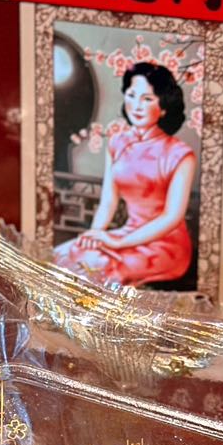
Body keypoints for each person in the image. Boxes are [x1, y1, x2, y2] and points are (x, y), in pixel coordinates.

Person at [53, 61, 196, 289]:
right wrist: (95, 233)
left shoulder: (180, 154)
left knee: (96, 266)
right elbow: (108, 201)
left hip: (165, 243)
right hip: (126, 233)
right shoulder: (117, 142)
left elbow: (172, 217)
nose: (136, 106)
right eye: (131, 95)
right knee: (61, 255)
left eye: (147, 99)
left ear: (164, 107)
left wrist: (120, 242)